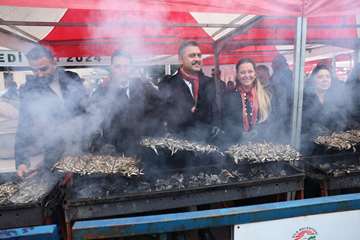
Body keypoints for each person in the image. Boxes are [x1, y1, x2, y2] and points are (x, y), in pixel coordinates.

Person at [15, 45, 87, 177]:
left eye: (44, 69)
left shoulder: (72, 78)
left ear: (54, 62)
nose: (39, 74)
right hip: (53, 154)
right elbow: (23, 126)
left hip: (80, 150)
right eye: (34, 70)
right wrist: (21, 162)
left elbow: (85, 112)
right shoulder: (29, 90)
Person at [88, 50, 161, 154]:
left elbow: (159, 110)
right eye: (118, 67)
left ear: (131, 68)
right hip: (112, 153)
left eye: (126, 66)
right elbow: (93, 122)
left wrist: (151, 133)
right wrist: (100, 144)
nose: (123, 70)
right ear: (112, 68)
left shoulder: (145, 88)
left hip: (142, 150)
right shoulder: (101, 92)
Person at [158, 41, 219, 141]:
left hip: (207, 146)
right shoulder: (167, 85)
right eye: (192, 56)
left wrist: (216, 126)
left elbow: (217, 113)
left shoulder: (211, 83)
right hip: (180, 148)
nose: (197, 59)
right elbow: (163, 117)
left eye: (199, 55)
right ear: (181, 60)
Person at [222, 58, 271, 143]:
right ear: (237, 75)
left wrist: (258, 131)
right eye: (242, 72)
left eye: (250, 71)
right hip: (236, 145)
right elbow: (226, 123)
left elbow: (271, 121)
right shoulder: (229, 96)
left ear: (255, 74)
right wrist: (240, 134)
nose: (247, 75)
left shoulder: (266, 95)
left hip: (261, 145)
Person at [301, 64, 348, 151]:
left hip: (331, 147)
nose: (325, 80)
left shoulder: (334, 98)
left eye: (328, 77)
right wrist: (313, 130)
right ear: (313, 80)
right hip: (309, 147)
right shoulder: (304, 98)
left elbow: (341, 118)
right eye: (320, 77)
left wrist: (339, 127)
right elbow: (300, 124)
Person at [270, 54, 293, 138]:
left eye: (273, 63)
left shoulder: (283, 75)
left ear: (279, 64)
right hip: (282, 112)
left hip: (284, 113)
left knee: (283, 136)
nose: (271, 65)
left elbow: (281, 97)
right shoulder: (290, 74)